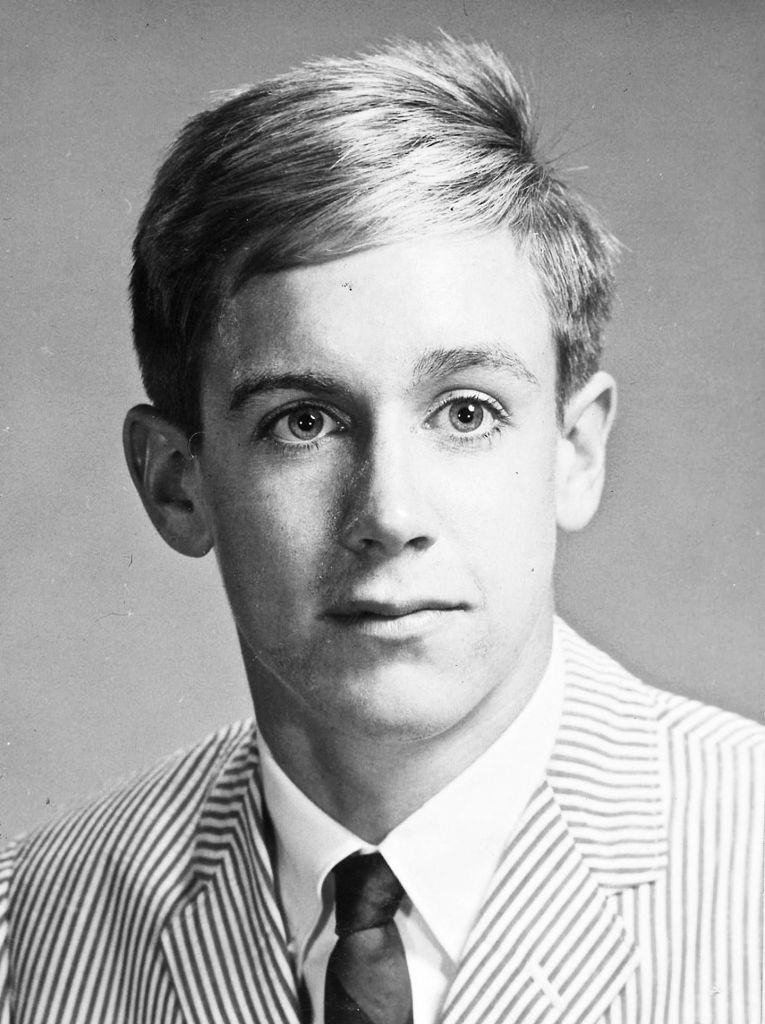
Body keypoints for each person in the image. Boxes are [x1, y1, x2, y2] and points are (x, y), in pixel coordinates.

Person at [0, 36, 762, 1024]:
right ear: (177, 485)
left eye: (467, 412)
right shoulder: (27, 931)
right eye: (302, 423)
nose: (391, 515)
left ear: (574, 451)